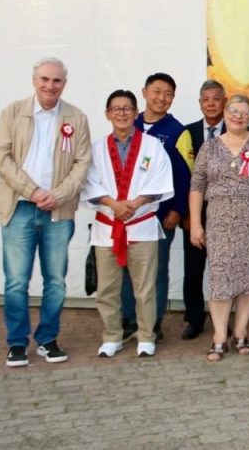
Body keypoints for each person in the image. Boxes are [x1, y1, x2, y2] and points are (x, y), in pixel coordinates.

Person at [0, 58, 91, 367]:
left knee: (56, 281)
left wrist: (57, 195)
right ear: (34, 80)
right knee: (16, 281)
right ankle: (17, 342)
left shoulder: (77, 117)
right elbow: (1, 158)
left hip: (58, 213)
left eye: (57, 81)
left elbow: (82, 164)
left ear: (65, 83)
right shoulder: (12, 112)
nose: (50, 86)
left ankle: (47, 339)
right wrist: (32, 191)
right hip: (20, 207)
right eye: (45, 79)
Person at [189, 95, 249, 362]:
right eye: (233, 111)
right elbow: (197, 187)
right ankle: (219, 336)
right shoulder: (209, 148)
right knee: (220, 279)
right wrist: (196, 223)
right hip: (219, 224)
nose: (238, 116)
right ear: (225, 112)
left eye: (244, 113)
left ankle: (241, 331)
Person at [84, 90, 174, 358]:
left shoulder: (152, 146)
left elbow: (160, 181)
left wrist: (133, 204)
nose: (122, 114)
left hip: (141, 224)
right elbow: (90, 183)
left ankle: (146, 335)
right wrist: (115, 205)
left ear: (136, 113)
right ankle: (112, 335)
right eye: (116, 109)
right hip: (107, 227)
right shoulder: (96, 149)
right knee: (107, 288)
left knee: (145, 286)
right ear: (107, 114)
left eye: (127, 109)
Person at [121, 73, 190, 343]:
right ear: (144, 92)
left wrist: (177, 209)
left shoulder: (178, 131)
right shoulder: (129, 124)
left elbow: (186, 175)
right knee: (127, 268)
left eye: (168, 94)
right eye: (156, 91)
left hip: (161, 216)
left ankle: (154, 321)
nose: (161, 98)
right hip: (128, 215)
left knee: (157, 270)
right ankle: (128, 319)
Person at [175, 79, 227, 340]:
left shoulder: (238, 131)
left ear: (224, 102)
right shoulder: (188, 133)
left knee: (225, 269)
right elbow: (181, 177)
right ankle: (194, 318)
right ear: (199, 103)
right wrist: (186, 212)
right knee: (194, 270)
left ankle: (225, 319)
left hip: (227, 215)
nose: (210, 104)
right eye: (205, 99)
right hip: (195, 215)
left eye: (215, 98)